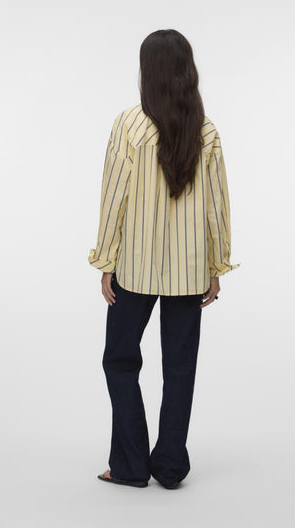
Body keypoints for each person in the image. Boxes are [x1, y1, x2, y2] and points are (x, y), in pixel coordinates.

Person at [88, 29, 241, 489]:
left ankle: (130, 465)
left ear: (147, 71)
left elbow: (113, 196)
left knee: (120, 360)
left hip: (133, 268)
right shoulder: (206, 130)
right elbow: (217, 206)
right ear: (187, 71)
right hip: (190, 271)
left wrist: (106, 259)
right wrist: (216, 267)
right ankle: (170, 468)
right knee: (179, 369)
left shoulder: (129, 125)